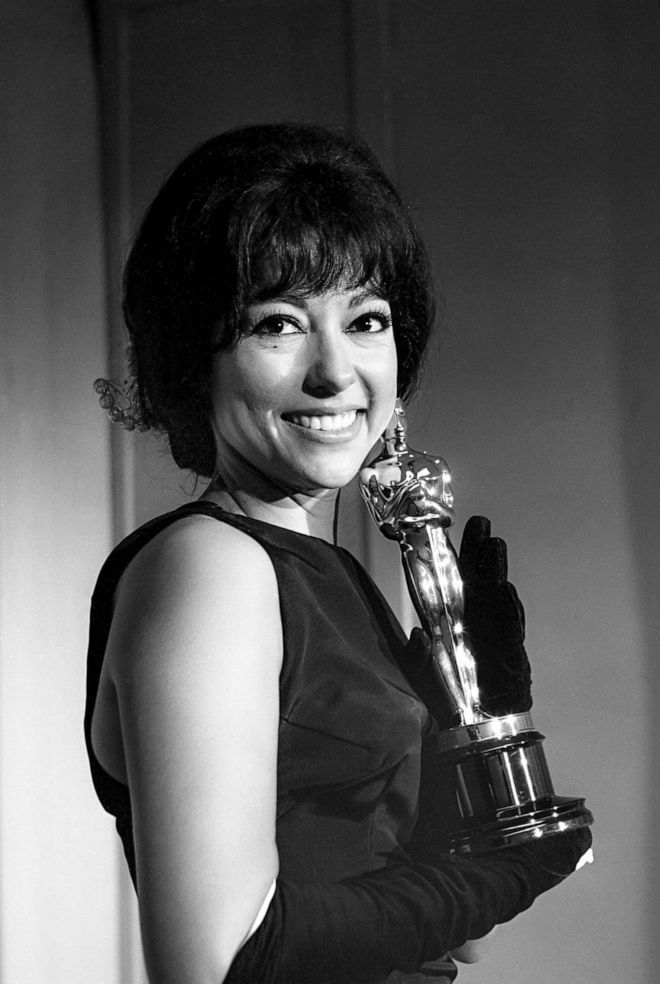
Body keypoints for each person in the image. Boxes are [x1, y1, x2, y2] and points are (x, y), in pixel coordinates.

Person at [85, 122, 591, 984]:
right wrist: (500, 874)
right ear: (191, 357)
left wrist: (488, 722)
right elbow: (228, 959)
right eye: (278, 323)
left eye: (366, 320)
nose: (334, 372)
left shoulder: (340, 580)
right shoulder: (212, 567)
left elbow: (446, 937)